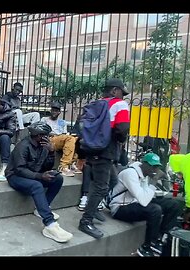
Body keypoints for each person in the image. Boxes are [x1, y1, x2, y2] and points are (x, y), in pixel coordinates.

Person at [78, 78, 130, 239]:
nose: (123, 96)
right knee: (101, 186)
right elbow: (122, 129)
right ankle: (85, 221)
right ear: (115, 90)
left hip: (92, 147)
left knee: (112, 182)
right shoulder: (120, 104)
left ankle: (93, 210)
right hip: (106, 150)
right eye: (122, 92)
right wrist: (120, 142)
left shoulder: (96, 103)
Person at [5, 122, 73, 243]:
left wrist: (51, 152)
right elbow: (19, 169)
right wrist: (40, 176)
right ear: (39, 135)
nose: (49, 137)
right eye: (46, 135)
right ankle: (50, 224)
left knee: (58, 178)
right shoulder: (23, 146)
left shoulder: (44, 146)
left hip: (33, 174)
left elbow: (48, 166)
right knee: (37, 185)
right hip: (15, 176)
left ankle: (41, 207)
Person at [109, 153, 183, 257]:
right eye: (152, 166)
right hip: (120, 207)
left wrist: (155, 189)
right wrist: (154, 181)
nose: (155, 169)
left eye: (157, 167)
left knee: (173, 205)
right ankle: (148, 246)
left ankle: (162, 238)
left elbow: (145, 196)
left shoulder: (145, 174)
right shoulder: (130, 173)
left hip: (135, 203)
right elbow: (144, 200)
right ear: (144, 164)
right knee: (155, 210)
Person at [40, 102, 77, 177]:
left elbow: (65, 134)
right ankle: (63, 166)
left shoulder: (62, 122)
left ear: (59, 112)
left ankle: (72, 163)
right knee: (70, 138)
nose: (54, 112)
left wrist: (63, 136)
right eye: (53, 110)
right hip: (50, 139)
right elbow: (42, 132)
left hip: (61, 139)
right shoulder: (44, 119)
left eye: (56, 111)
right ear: (50, 110)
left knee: (76, 139)